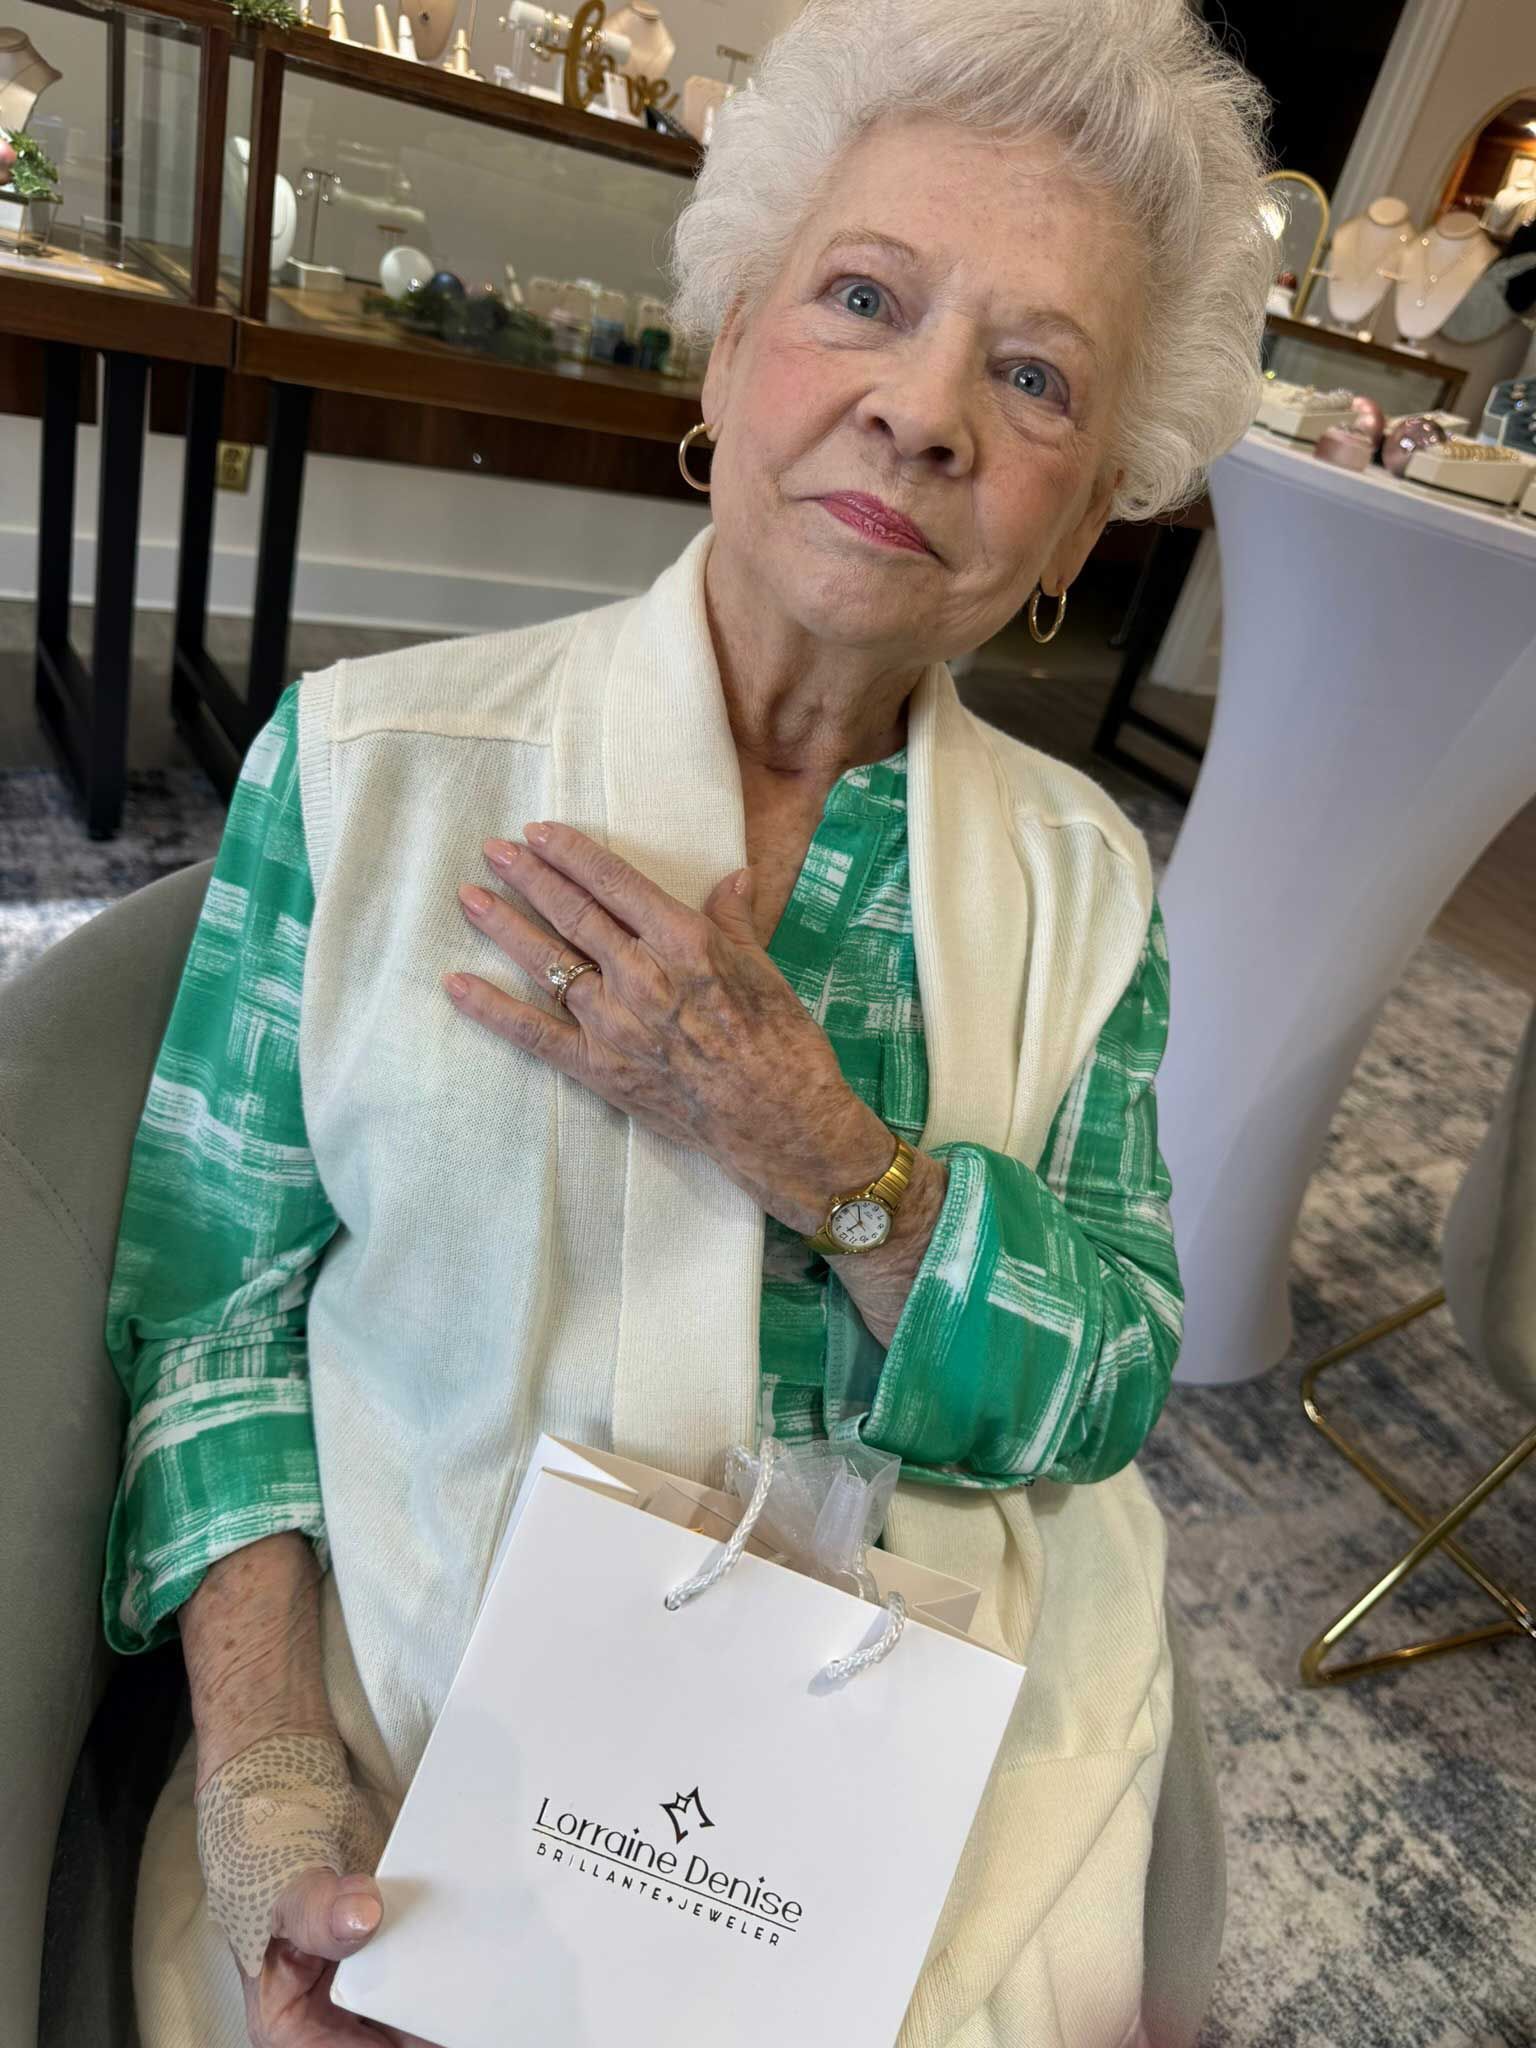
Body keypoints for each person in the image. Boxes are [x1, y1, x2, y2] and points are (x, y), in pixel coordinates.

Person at [104, 0, 1273, 2040]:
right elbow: (214, 1317)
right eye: (861, 297)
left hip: (899, 1777)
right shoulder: (364, 770)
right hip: (431, 1741)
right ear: (728, 353)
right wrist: (276, 1801)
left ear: (1083, 529)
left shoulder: (1087, 885)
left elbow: (1104, 1393)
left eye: (1032, 374)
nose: (924, 412)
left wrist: (835, 1160)